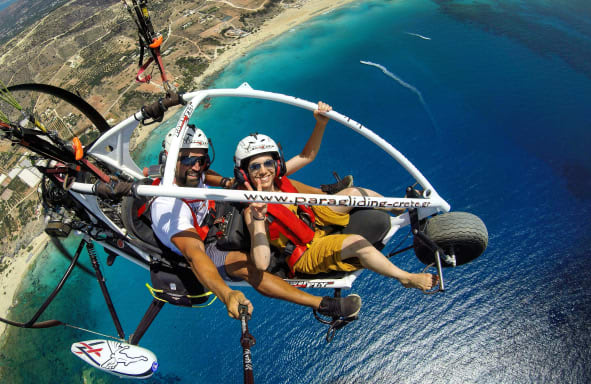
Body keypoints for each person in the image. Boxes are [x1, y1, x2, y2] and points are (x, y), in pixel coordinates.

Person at [149, 124, 362, 320]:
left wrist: (226, 182)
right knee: (246, 266)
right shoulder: (167, 206)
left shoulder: (192, 172)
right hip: (206, 244)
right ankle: (324, 305)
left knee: (273, 181)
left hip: (217, 215)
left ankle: (323, 195)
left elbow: (205, 173)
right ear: (170, 160)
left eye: (202, 160)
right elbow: (194, 255)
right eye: (188, 160)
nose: (196, 166)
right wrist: (227, 294)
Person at [236, 102, 437, 291]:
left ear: (276, 165)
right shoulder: (253, 210)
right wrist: (260, 217)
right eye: (255, 167)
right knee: (357, 243)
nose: (263, 171)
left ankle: (399, 208)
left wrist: (320, 124)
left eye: (268, 164)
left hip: (314, 220)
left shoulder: (279, 179)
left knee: (354, 193)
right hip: (306, 250)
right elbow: (261, 263)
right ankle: (405, 277)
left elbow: (307, 156)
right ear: (244, 173)